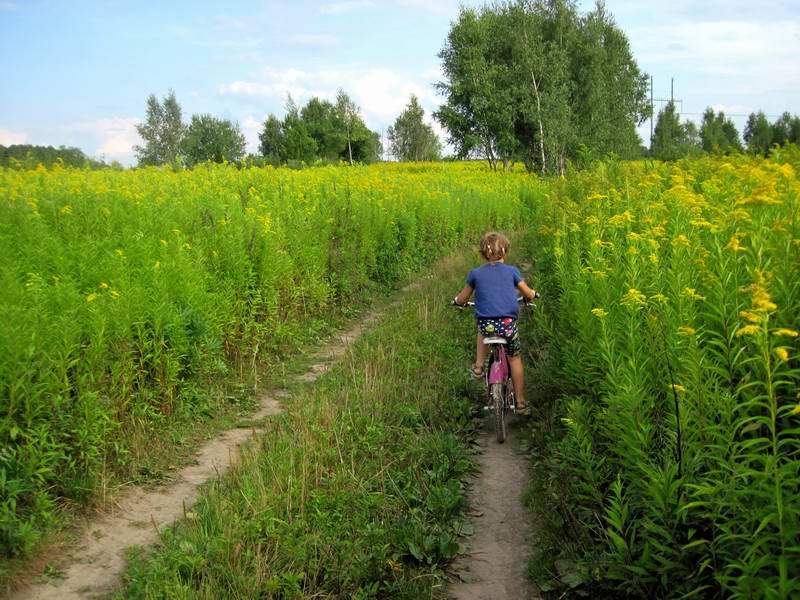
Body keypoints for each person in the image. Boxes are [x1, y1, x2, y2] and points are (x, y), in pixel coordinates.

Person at [452, 232, 537, 413]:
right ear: (505, 252)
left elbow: (462, 298)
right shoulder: (512, 271)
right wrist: (532, 294)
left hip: (487, 325)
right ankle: (521, 402)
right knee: (515, 359)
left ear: (483, 253)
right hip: (507, 324)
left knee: (482, 331)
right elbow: (527, 293)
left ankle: (478, 366)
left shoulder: (475, 274)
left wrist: (458, 302)